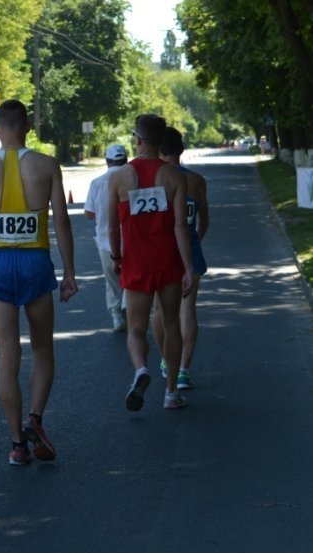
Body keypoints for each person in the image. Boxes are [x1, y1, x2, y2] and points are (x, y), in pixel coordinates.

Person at [0, 99, 77, 466]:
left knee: (8, 354)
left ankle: (16, 443)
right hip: (35, 262)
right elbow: (61, 221)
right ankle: (35, 417)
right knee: (42, 349)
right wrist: (69, 273)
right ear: (28, 126)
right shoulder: (47, 165)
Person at [107, 114, 194, 412]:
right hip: (168, 260)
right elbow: (181, 226)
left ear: (138, 139)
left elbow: (112, 228)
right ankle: (171, 392)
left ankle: (141, 369)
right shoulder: (174, 177)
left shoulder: (119, 177)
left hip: (136, 261)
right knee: (171, 323)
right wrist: (189, 267)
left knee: (135, 328)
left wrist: (116, 257)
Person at [152, 126, 209, 390]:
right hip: (191, 247)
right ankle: (184, 369)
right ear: (182, 149)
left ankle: (167, 360)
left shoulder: (155, 180)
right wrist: (193, 241)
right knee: (188, 310)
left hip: (161, 248)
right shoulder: (196, 181)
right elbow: (204, 221)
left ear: (158, 150)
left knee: (160, 310)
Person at [84, 144, 128, 332]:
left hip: (105, 242)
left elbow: (88, 213)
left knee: (111, 280)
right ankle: (129, 309)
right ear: (125, 160)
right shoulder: (134, 180)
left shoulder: (97, 183)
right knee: (131, 278)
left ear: (107, 161)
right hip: (131, 240)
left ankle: (116, 314)